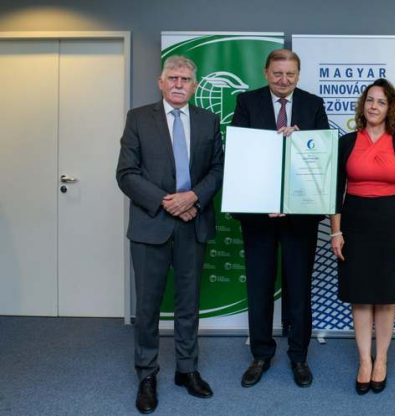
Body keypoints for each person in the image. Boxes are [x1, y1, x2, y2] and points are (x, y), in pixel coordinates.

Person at [116, 55, 224, 414]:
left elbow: (218, 168)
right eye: (173, 78)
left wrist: (193, 197)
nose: (179, 84)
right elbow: (126, 173)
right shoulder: (138, 118)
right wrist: (170, 202)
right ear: (161, 83)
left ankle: (186, 369)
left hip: (194, 221)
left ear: (195, 86)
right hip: (151, 224)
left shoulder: (208, 120)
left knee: (188, 303)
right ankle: (147, 373)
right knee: (147, 306)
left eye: (185, 79)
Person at [231, 49, 329, 388]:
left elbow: (322, 157)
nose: (283, 80)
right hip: (259, 214)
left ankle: (299, 356)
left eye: (290, 74)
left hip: (299, 215)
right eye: (277, 73)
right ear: (266, 72)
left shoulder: (313, 105)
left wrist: (302, 141)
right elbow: (241, 154)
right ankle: (261, 354)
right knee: (259, 286)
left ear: (298, 75)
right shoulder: (247, 102)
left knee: (299, 288)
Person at [330, 78, 395, 395]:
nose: (374, 106)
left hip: (391, 224)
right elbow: (334, 191)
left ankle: (381, 359)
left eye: (381, 101)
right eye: (370, 100)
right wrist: (336, 231)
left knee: (385, 295)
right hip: (354, 223)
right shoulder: (346, 142)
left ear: (390, 107)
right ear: (363, 104)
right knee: (360, 294)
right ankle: (364, 361)